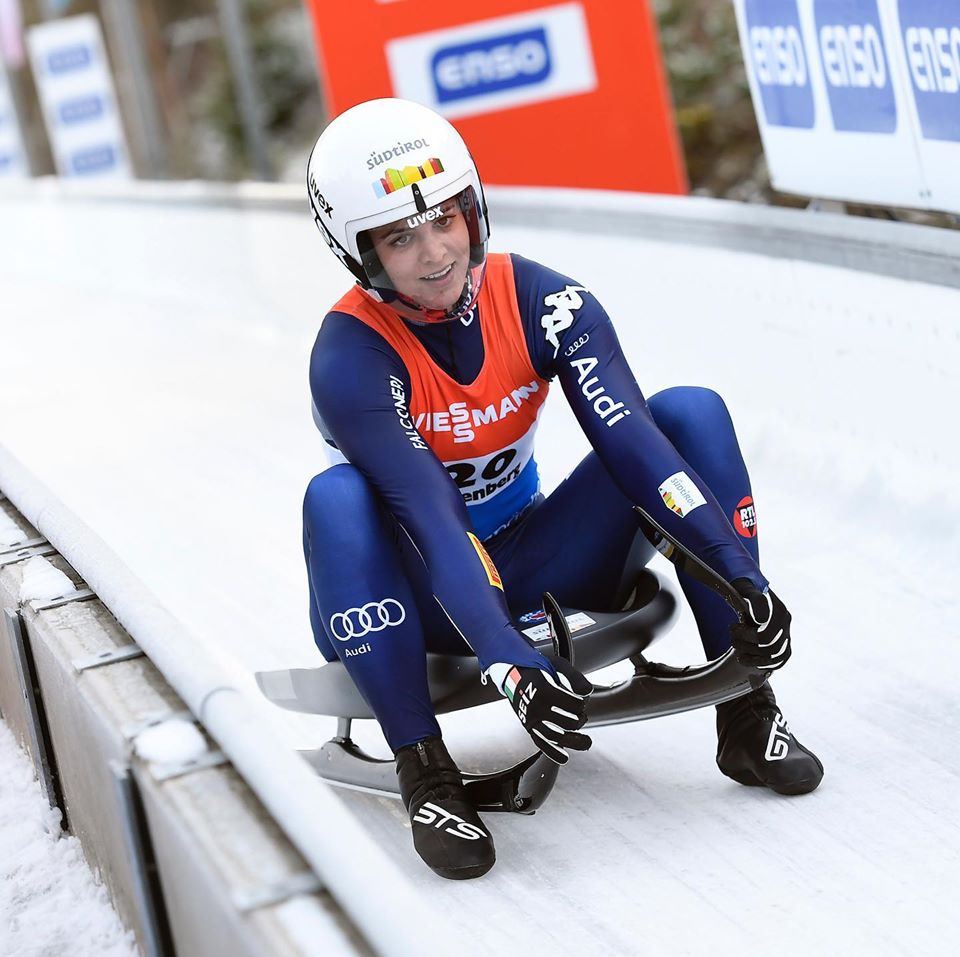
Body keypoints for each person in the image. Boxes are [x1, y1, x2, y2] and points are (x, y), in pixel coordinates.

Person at [302, 98, 823, 881]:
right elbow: (434, 522)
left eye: (445, 217)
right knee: (335, 496)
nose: (436, 251)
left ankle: (749, 711)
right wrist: (509, 660)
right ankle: (426, 772)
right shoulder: (349, 356)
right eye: (399, 236)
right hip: (418, 595)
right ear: (358, 252)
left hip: (532, 557)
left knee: (687, 412)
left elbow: (636, 446)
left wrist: (740, 573)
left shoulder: (546, 300)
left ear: (474, 208)